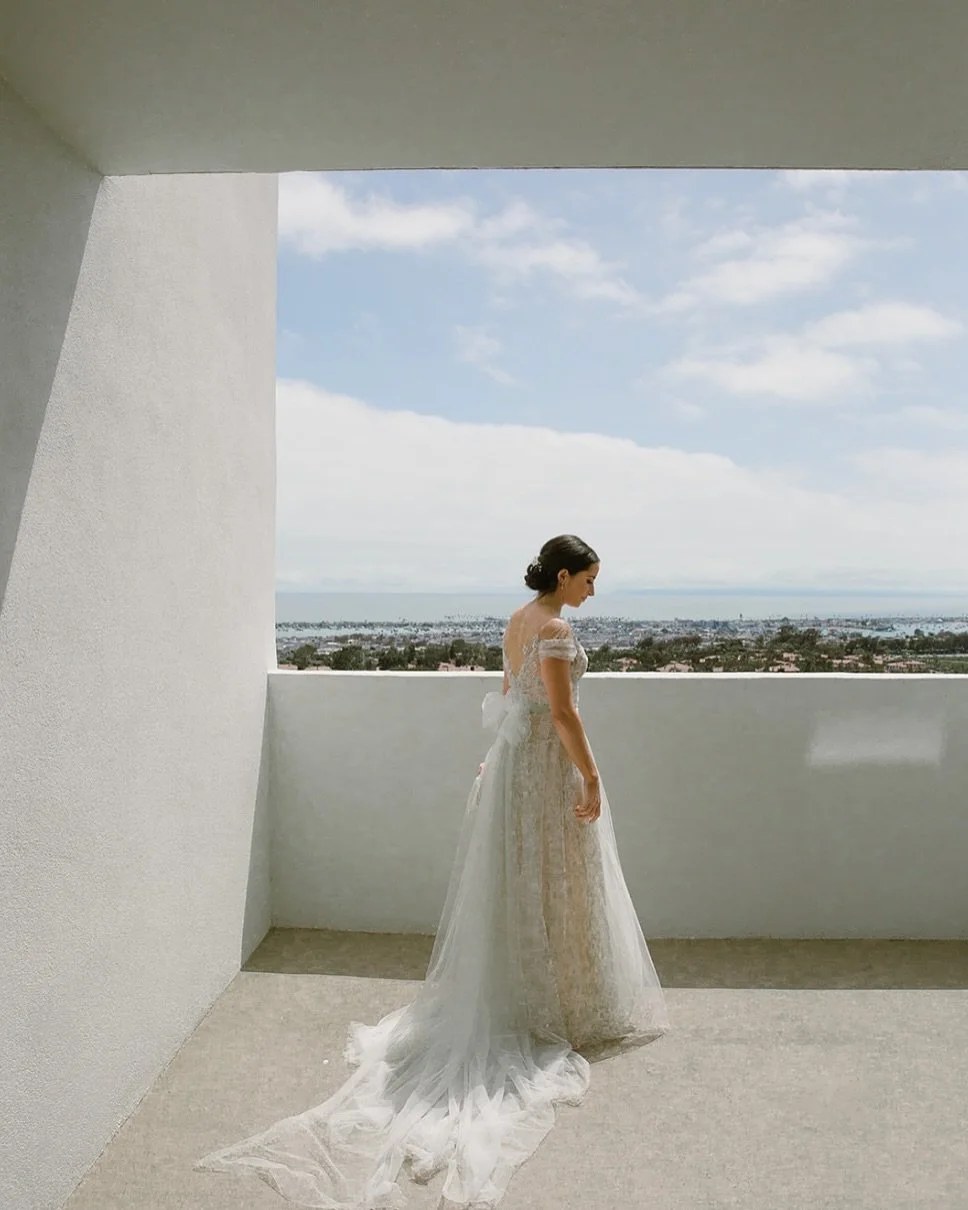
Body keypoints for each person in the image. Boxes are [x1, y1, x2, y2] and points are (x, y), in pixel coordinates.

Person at [195, 534, 670, 1208]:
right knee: (556, 879)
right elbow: (562, 711)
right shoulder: (557, 628)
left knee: (521, 882)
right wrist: (591, 776)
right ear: (564, 577)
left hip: (512, 765)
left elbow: (510, 692)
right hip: (541, 767)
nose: (593, 590)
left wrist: (495, 757)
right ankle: (557, 999)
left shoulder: (516, 621)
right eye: (589, 579)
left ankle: (533, 993)